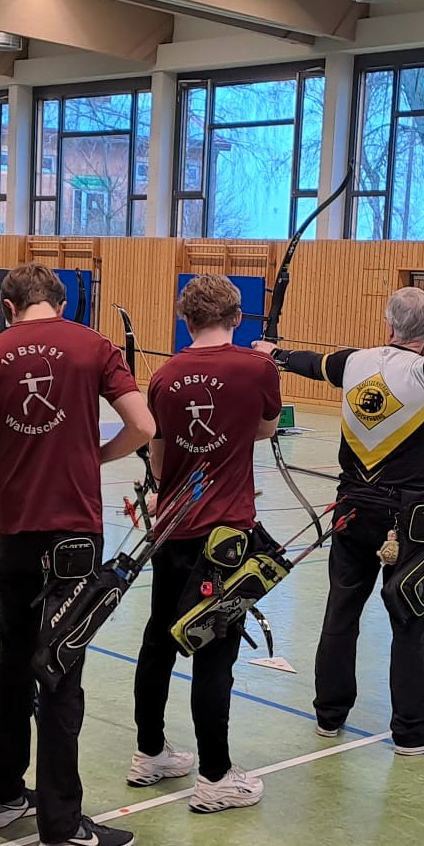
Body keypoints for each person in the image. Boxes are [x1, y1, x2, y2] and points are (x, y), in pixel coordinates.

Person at [255, 287, 424, 755]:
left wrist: (274, 353)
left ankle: (329, 715)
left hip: (353, 508)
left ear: (388, 323)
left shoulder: (353, 362)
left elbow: (309, 362)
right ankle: (411, 731)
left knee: (341, 611)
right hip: (407, 516)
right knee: (412, 617)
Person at [0, 263, 154, 846]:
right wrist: (94, 456)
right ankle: (61, 827)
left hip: (15, 533)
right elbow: (143, 425)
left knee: (12, 660)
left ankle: (1, 796)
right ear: (62, 300)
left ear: (8, 306)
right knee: (61, 669)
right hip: (73, 535)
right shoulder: (92, 346)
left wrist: (4, 508)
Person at [128, 275, 280, 811]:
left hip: (174, 529)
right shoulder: (257, 367)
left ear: (186, 320)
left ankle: (149, 753)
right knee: (214, 652)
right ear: (237, 317)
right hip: (225, 538)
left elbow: (161, 457)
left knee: (160, 639)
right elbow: (265, 430)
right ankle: (215, 777)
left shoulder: (164, 376)